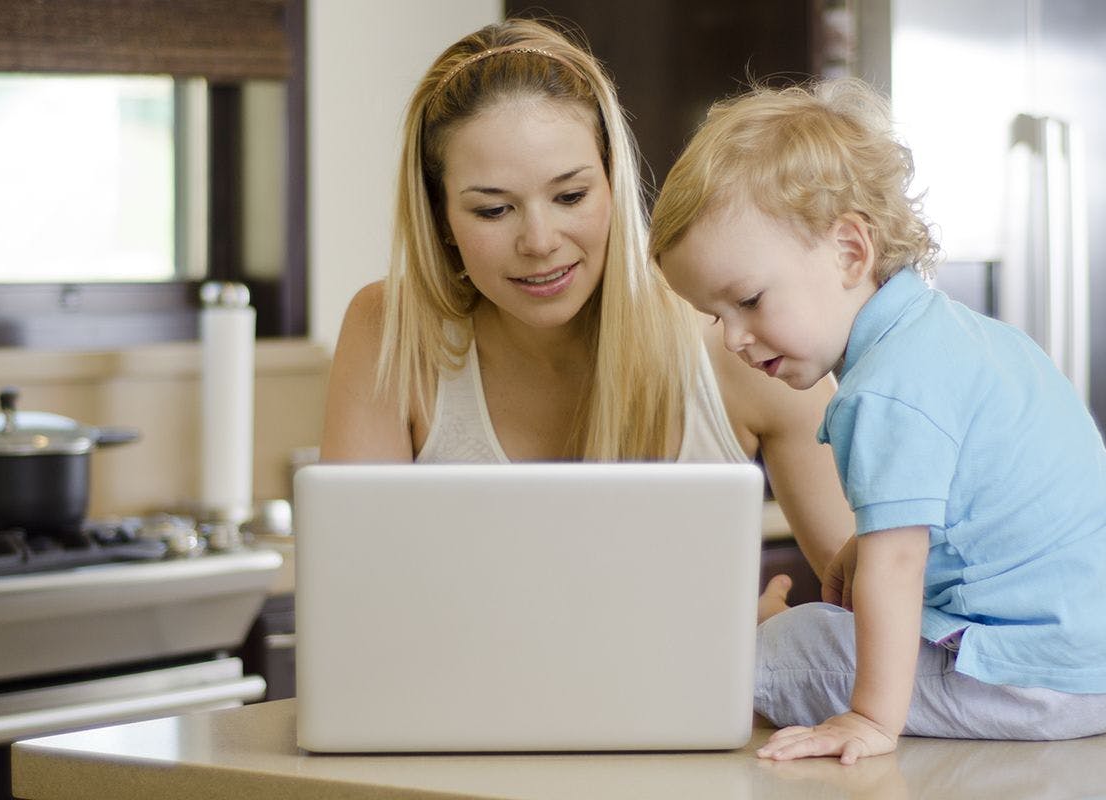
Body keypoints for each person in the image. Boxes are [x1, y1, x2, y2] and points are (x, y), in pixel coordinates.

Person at [650, 78, 1106, 763]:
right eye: (716, 315)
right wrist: (863, 549)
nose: (732, 338)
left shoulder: (884, 392)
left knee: (775, 649)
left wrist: (870, 719)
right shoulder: (954, 334)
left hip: (1046, 678)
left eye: (749, 300)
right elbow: (973, 513)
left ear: (850, 252)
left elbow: (898, 567)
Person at [320, 18, 853, 580]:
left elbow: (888, 608)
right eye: (493, 210)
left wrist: (773, 651)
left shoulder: (738, 341)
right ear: (442, 218)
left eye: (571, 195)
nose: (540, 242)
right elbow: (353, 605)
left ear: (613, 182)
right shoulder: (391, 331)